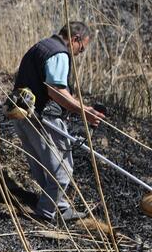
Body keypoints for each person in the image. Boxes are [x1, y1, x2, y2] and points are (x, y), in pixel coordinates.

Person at [11, 22, 104, 222]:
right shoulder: (59, 53)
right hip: (43, 119)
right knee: (62, 170)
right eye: (82, 47)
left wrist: (84, 108)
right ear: (76, 39)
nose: (80, 52)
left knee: (42, 167)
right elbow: (55, 90)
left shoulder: (41, 46)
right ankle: (44, 215)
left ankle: (60, 208)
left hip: (21, 114)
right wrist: (83, 112)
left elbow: (51, 86)